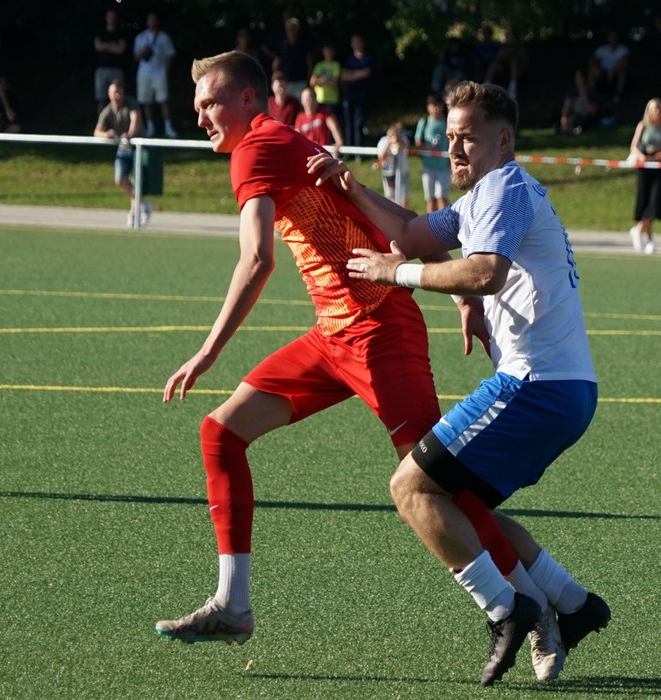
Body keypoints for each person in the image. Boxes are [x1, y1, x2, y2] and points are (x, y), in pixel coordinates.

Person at [154, 52, 579, 685]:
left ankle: (543, 607)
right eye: (196, 107)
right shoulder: (278, 141)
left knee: (438, 491)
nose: (201, 118)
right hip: (335, 332)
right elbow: (387, 225)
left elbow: (257, 259)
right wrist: (460, 294)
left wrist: (209, 350)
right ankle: (233, 604)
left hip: (379, 330)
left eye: (210, 103)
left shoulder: (255, 148)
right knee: (221, 432)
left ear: (248, 100)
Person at [314, 80, 610, 685]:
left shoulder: (503, 187)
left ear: (503, 142)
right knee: (462, 508)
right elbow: (413, 232)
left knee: (410, 489)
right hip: (562, 389)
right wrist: (355, 190)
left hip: (535, 387)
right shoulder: (485, 196)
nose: (453, 148)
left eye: (467, 137)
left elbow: (485, 272)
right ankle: (573, 604)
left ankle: (508, 611)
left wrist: (398, 274)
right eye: (449, 136)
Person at [94, 79, 150, 228]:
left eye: (119, 92)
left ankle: (133, 213)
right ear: (109, 94)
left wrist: (129, 134)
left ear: (123, 93)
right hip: (124, 148)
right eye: (114, 93)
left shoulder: (131, 103)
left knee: (136, 180)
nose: (117, 96)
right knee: (120, 179)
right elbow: (97, 131)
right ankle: (143, 204)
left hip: (138, 146)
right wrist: (106, 134)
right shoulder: (107, 110)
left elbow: (135, 119)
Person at [133, 12, 177, 138]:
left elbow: (169, 55)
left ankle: (168, 127)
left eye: (154, 19)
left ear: (157, 21)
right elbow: (135, 56)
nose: (152, 22)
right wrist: (143, 52)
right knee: (147, 102)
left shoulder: (164, 37)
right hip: (144, 74)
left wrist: (166, 72)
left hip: (160, 73)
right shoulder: (140, 37)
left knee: (164, 101)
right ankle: (150, 128)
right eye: (150, 19)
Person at [628, 98, 661, 254]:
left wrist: (654, 158)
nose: (657, 111)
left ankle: (638, 229)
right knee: (644, 200)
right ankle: (649, 239)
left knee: (654, 202)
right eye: (654, 108)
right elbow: (634, 146)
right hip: (644, 166)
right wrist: (642, 156)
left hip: (658, 166)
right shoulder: (643, 125)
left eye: (659, 108)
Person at [414, 93, 450, 212]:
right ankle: (430, 222)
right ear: (428, 107)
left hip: (443, 166)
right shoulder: (424, 122)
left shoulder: (447, 122)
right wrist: (428, 147)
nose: (436, 109)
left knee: (442, 197)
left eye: (438, 105)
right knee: (431, 198)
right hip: (428, 166)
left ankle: (444, 222)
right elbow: (418, 142)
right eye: (434, 106)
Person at [93, 8, 127, 115]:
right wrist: (112, 45)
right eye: (110, 16)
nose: (112, 18)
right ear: (106, 18)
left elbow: (121, 49)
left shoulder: (120, 33)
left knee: (118, 98)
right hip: (102, 69)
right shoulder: (100, 32)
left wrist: (105, 46)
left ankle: (118, 122)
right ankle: (101, 122)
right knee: (102, 100)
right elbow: (98, 46)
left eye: (113, 16)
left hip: (116, 69)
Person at [267, 16, 311, 98]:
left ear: (297, 30)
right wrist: (276, 81)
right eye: (289, 29)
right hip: (285, 83)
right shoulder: (281, 46)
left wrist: (307, 80)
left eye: (294, 28)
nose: (291, 31)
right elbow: (276, 64)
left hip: (300, 82)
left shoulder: (303, 45)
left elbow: (309, 64)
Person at [341, 34, 371, 150]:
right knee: (349, 123)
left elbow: (367, 72)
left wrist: (352, 75)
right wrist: (358, 74)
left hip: (362, 94)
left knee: (358, 123)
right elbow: (344, 76)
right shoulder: (349, 59)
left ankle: (359, 150)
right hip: (349, 94)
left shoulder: (367, 58)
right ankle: (349, 150)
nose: (356, 44)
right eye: (354, 42)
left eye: (358, 41)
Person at [294, 86, 342, 156]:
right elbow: (297, 137)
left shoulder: (325, 113)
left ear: (316, 99)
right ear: (302, 101)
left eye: (311, 97)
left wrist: (338, 142)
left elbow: (334, 128)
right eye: (306, 98)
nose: (309, 100)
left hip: (322, 153)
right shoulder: (300, 117)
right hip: (307, 153)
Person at [557, 67, 602, 135]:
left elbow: (593, 111)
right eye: (576, 78)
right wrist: (564, 119)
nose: (577, 80)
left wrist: (583, 96)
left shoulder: (590, 92)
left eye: (579, 78)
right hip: (575, 117)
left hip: (587, 118)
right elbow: (566, 108)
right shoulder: (572, 92)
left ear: (584, 78)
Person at [590, 29, 629, 105]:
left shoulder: (623, 50)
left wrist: (613, 70)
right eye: (611, 37)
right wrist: (595, 66)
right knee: (592, 71)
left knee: (622, 71)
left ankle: (618, 95)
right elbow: (592, 60)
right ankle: (590, 94)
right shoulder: (602, 49)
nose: (612, 39)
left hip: (616, 72)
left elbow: (624, 63)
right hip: (603, 71)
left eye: (614, 37)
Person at [377, 122, 410, 208]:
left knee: (404, 199)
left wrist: (398, 139)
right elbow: (381, 156)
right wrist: (389, 142)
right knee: (391, 198)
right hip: (389, 173)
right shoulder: (383, 141)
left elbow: (404, 147)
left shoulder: (403, 139)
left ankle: (403, 215)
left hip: (403, 173)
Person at [309, 41, 341, 115]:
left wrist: (320, 80)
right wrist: (326, 81)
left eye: (329, 51)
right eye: (326, 51)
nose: (327, 53)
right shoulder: (319, 65)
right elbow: (312, 82)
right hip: (318, 99)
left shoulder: (336, 65)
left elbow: (334, 83)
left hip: (331, 100)